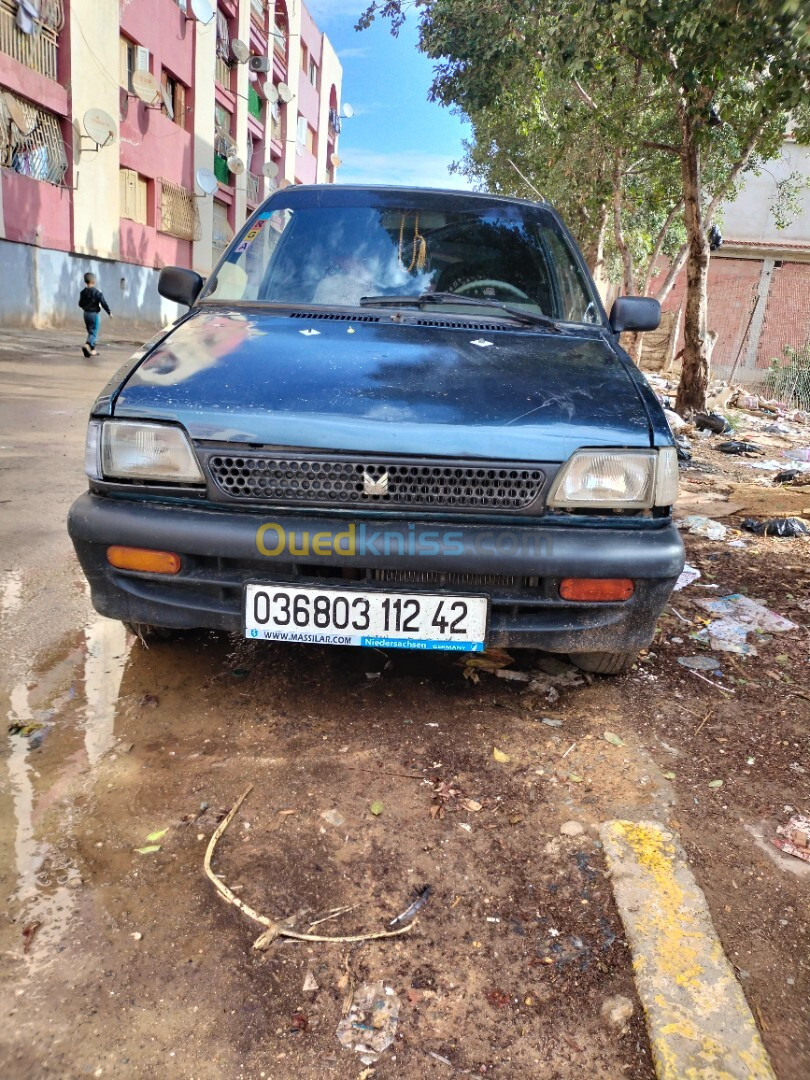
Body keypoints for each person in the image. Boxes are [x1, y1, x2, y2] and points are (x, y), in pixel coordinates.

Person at [78, 273, 111, 357]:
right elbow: (103, 302)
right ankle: (87, 345)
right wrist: (109, 312)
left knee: (90, 332)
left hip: (85, 314)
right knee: (94, 333)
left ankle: (93, 350)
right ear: (93, 281)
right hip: (94, 314)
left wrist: (86, 307)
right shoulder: (97, 292)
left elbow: (80, 304)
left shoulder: (82, 292)